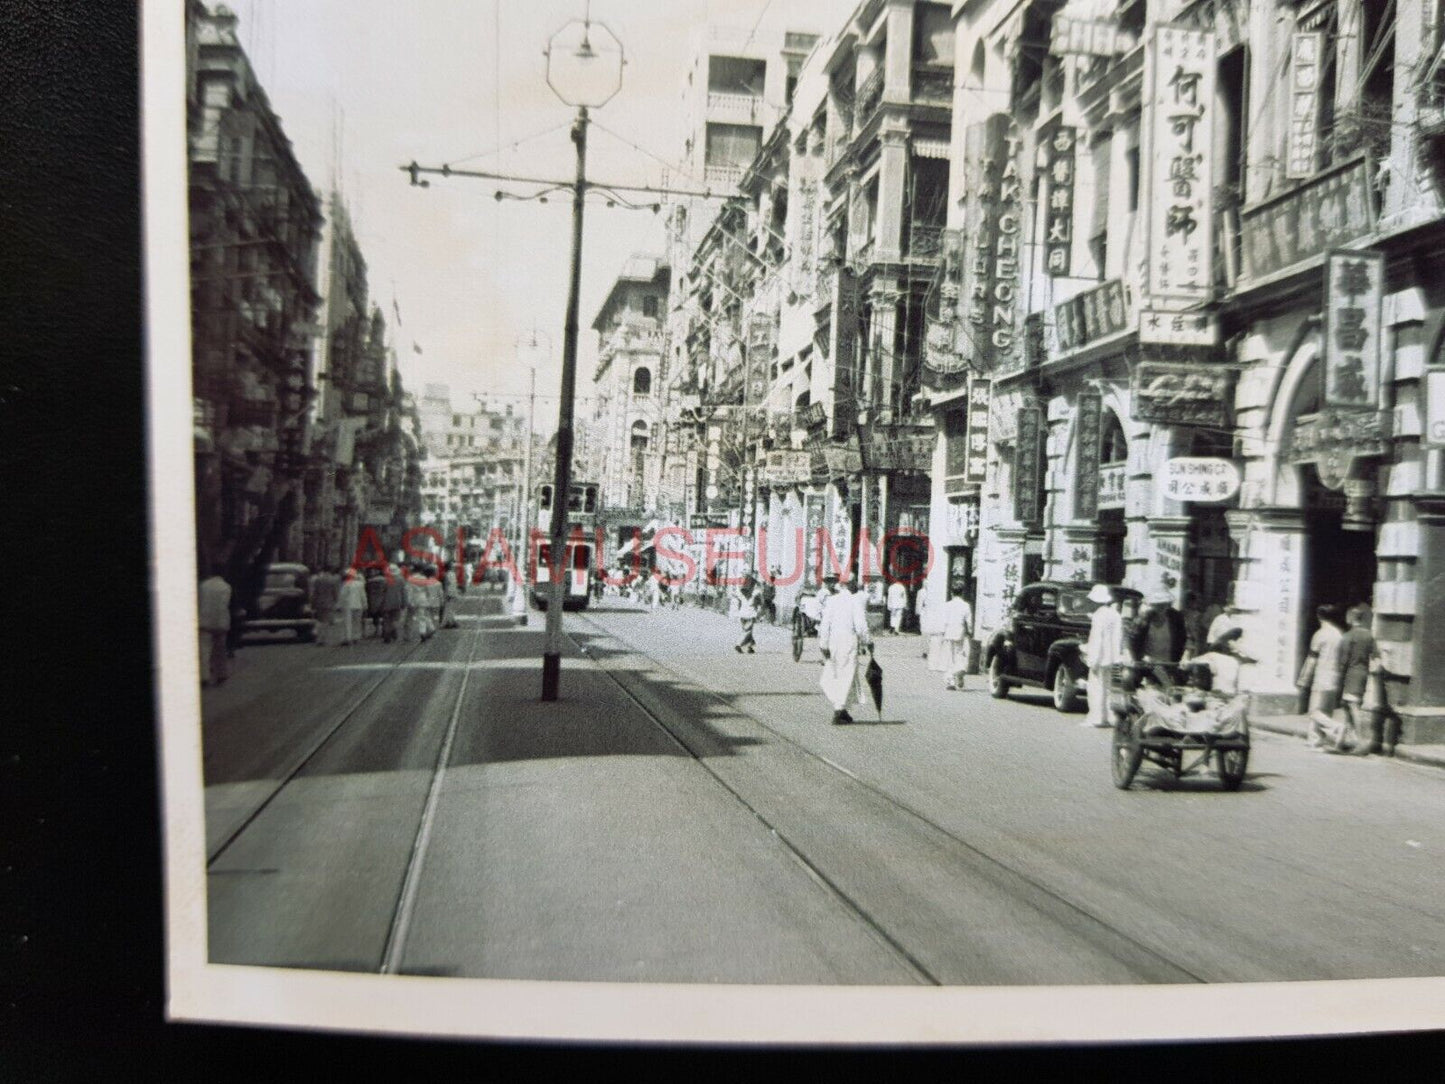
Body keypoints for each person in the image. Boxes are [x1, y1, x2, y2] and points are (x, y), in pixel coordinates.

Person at [818, 574, 871, 724]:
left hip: (834, 641)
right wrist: (868, 641)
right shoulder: (855, 601)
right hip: (848, 641)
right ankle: (839, 709)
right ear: (852, 584)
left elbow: (825, 623)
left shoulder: (832, 601)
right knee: (846, 675)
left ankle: (844, 710)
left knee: (838, 674)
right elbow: (860, 626)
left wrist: (823, 644)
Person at [1303, 604, 1347, 751]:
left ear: (1319, 616)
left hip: (1321, 675)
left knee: (1314, 711)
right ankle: (1315, 741)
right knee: (1325, 710)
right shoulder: (1339, 635)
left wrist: (1304, 678)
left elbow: (1312, 659)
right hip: (1335, 676)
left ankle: (1336, 727)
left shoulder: (1320, 635)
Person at [1337, 603, 1379, 756]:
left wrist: (1339, 678)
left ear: (1350, 618)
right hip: (1362, 674)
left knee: (1353, 708)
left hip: (1350, 675)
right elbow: (1376, 657)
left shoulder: (1348, 636)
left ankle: (1361, 742)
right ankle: (1342, 741)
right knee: (1349, 708)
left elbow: (1344, 660)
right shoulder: (1369, 635)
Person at [1082, 584, 1125, 728]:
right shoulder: (1116, 615)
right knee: (1108, 688)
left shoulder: (1099, 615)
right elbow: (1119, 637)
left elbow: (1096, 639)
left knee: (1096, 688)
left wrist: (1092, 658)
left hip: (1100, 658)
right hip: (1113, 657)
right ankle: (1109, 717)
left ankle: (1097, 718)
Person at [1130, 591, 1187, 667]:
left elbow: (1186, 639)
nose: (1161, 607)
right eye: (1157, 604)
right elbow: (1133, 643)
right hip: (1148, 665)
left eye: (1164, 604)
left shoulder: (1176, 619)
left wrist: (1185, 657)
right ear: (1152, 605)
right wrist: (1139, 659)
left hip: (1171, 663)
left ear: (1168, 604)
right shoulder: (1142, 621)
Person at [198, 567, 232, 686]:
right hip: (220, 621)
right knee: (220, 650)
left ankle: (204, 676)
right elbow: (226, 604)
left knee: (204, 650)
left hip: (205, 620)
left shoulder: (203, 586)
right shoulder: (226, 587)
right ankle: (221, 674)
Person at [940, 581, 973, 691]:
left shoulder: (947, 605)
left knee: (950, 656)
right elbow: (969, 622)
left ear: (952, 593)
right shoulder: (966, 606)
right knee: (959, 654)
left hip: (949, 632)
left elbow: (944, 621)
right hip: (960, 632)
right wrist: (970, 632)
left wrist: (942, 633)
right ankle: (959, 672)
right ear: (962, 593)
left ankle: (951, 680)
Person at [309, 566, 340, 646]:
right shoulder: (332, 580)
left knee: (320, 620)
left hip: (319, 603)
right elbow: (335, 593)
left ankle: (319, 638)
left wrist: (312, 603)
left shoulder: (318, 580)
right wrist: (336, 602)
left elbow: (315, 593)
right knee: (327, 622)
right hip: (329, 603)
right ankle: (324, 639)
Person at [731, 575, 762, 654]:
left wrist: (737, 611)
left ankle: (750, 647)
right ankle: (738, 644)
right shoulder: (755, 593)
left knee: (747, 631)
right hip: (750, 615)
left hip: (742, 615)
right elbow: (760, 603)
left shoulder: (741, 592)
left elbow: (737, 599)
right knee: (747, 631)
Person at [338, 567, 366, 645]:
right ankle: (356, 637)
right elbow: (363, 595)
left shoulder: (346, 584)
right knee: (357, 622)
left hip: (348, 605)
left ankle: (348, 638)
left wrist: (339, 605)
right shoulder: (360, 584)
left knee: (348, 622)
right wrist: (365, 604)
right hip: (358, 605)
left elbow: (342, 596)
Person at [380, 564, 406, 643]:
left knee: (387, 619)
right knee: (395, 619)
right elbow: (403, 592)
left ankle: (387, 634)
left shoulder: (386, 580)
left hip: (387, 602)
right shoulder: (401, 579)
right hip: (397, 602)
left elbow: (382, 592)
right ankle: (393, 631)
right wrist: (404, 602)